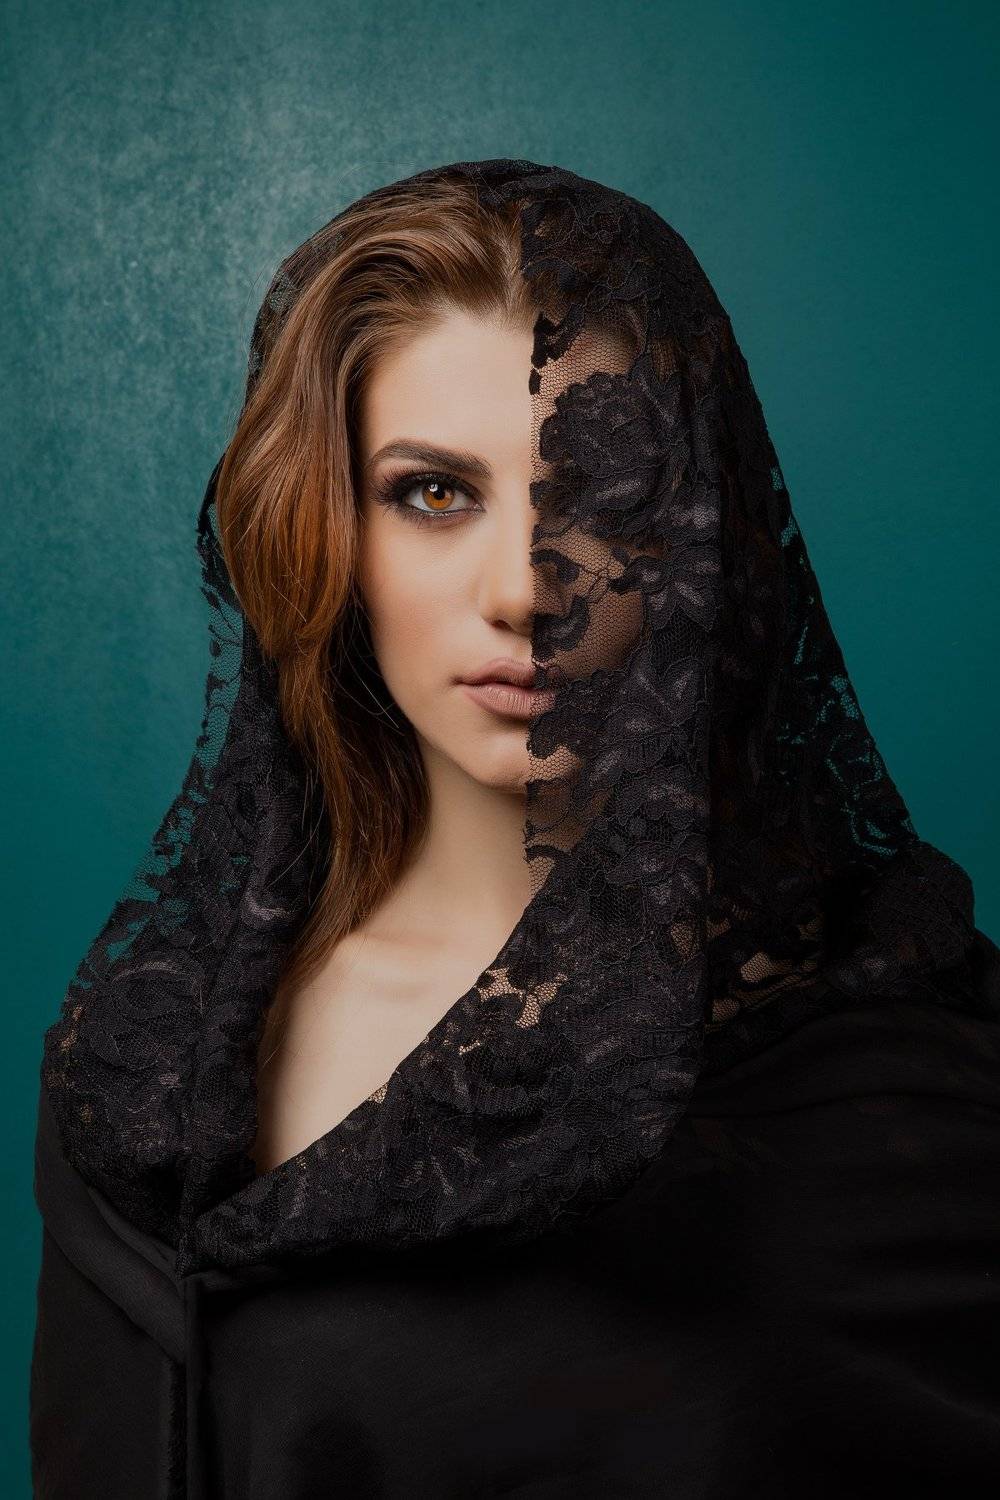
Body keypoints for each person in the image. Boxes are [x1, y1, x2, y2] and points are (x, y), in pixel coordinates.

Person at [29, 158, 1000, 1498]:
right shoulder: (152, 1063)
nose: (523, 589)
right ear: (326, 531)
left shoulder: (891, 1087)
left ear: (699, 537)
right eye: (434, 494)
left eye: (602, 493)